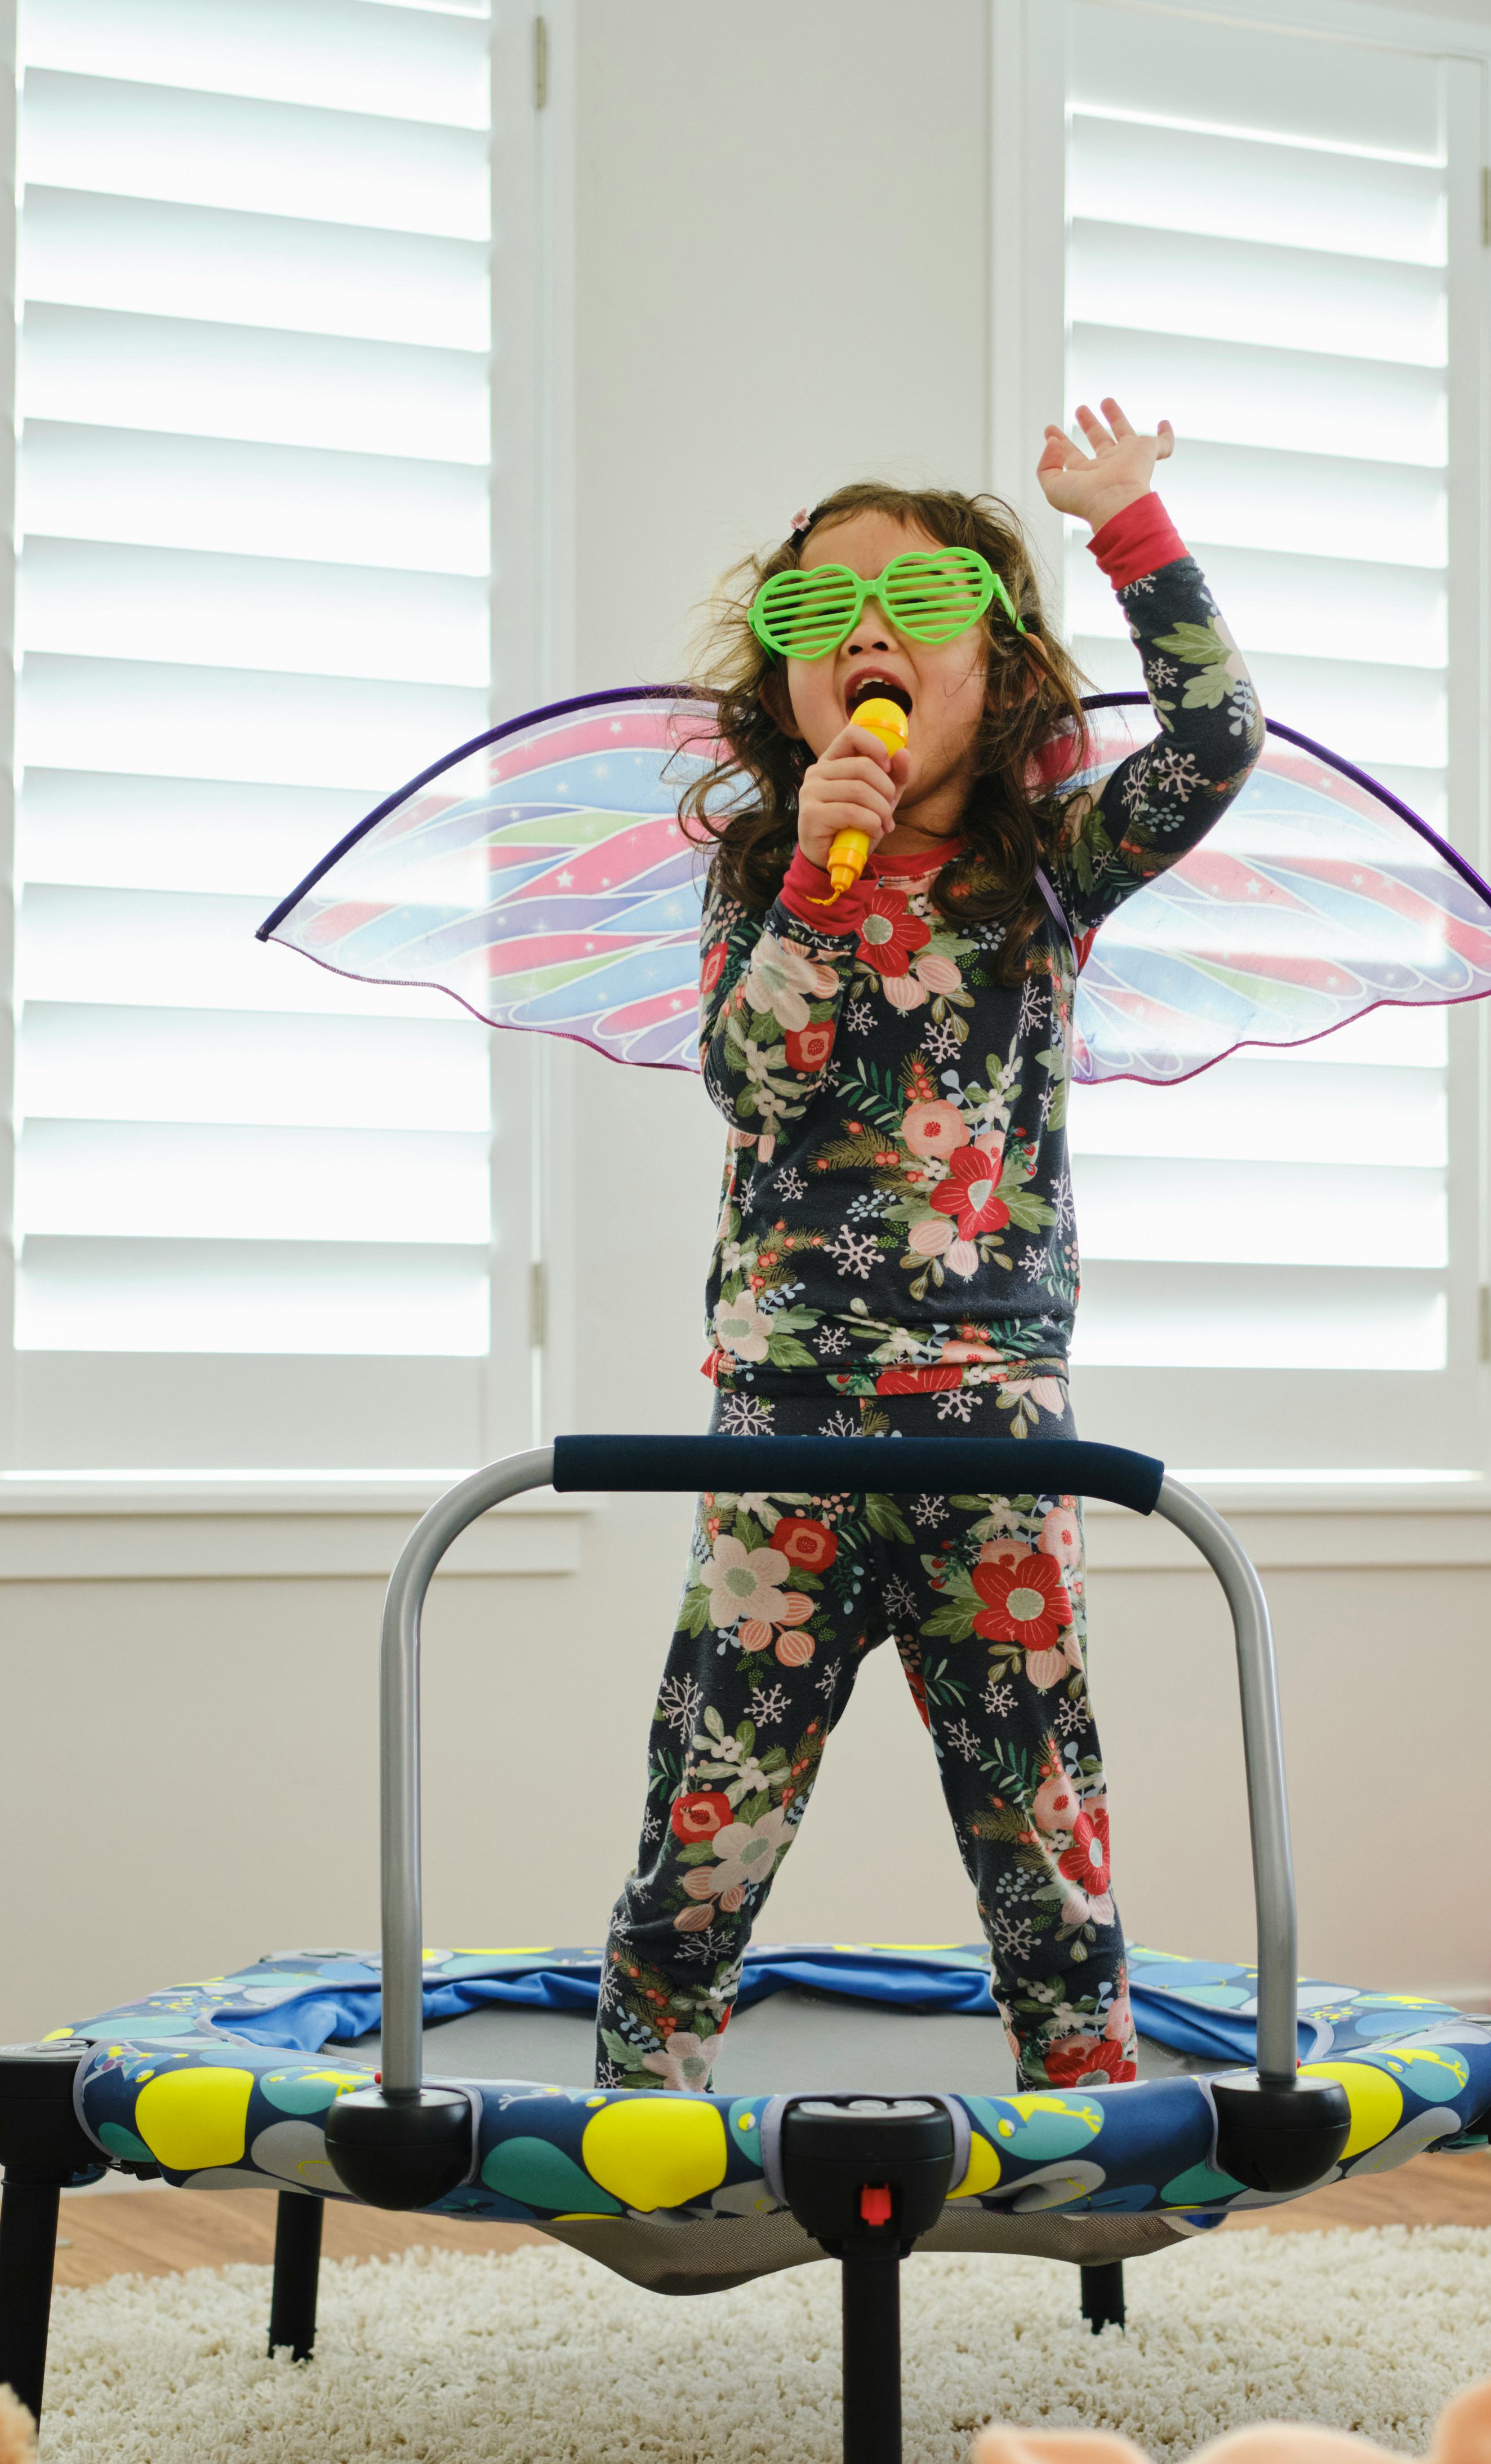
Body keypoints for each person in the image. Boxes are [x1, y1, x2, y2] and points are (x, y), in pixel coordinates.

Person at [596, 402, 1261, 2096]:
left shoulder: (1046, 868)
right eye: (819, 615)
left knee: (1040, 1816)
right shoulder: (762, 868)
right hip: (786, 1426)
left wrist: (1129, 527)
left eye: (917, 604)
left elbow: (1217, 738)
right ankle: (641, 2084)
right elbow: (753, 1078)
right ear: (784, 683)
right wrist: (823, 874)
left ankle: (1090, 2107)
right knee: (710, 1803)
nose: (869, 636)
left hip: (989, 1421)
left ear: (1002, 666)